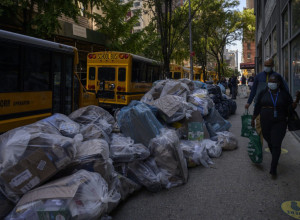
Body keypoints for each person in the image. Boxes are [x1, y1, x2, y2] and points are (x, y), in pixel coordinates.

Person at [251, 74, 300, 178]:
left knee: (276, 143)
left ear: (278, 83)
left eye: (274, 82)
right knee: (270, 141)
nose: (271, 83)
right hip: (265, 121)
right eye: (270, 81)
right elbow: (258, 106)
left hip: (280, 122)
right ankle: (275, 157)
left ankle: (273, 168)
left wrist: (296, 100)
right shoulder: (263, 93)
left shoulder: (284, 94)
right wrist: (253, 118)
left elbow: (290, 108)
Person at [245, 58, 289, 146]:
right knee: (259, 126)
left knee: (271, 127)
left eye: (268, 65)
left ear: (272, 66)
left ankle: (273, 144)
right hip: (261, 106)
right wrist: (249, 102)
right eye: (265, 65)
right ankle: (259, 146)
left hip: (274, 107)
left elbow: (285, 89)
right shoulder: (259, 76)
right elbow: (253, 90)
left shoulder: (277, 76)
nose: (267, 67)